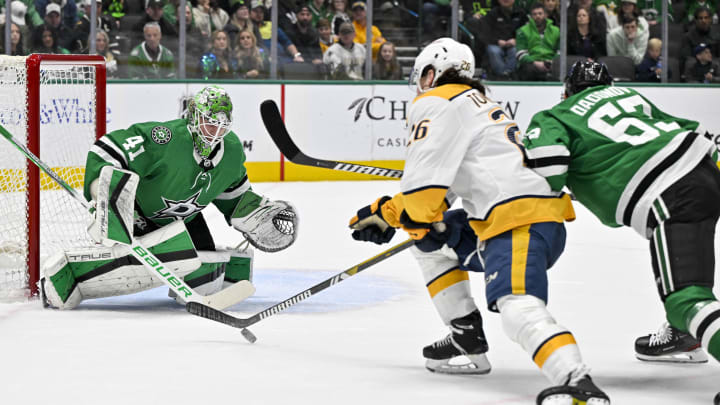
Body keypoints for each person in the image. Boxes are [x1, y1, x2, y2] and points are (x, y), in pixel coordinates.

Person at [349, 37, 609, 405]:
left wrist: (389, 213)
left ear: (430, 73)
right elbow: (443, 193)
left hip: (518, 223)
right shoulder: (478, 103)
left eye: (420, 75)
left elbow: (424, 200)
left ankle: (578, 383)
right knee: (430, 245)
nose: (418, 85)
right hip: (523, 217)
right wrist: (393, 212)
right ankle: (465, 334)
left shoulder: (436, 102)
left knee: (516, 306)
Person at [523, 60, 720, 371]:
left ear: (566, 92)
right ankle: (685, 334)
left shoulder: (555, 115)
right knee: (689, 269)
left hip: (669, 191)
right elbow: (696, 130)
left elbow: (548, 166)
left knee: (686, 299)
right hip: (705, 168)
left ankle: (689, 319)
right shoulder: (629, 96)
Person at [40, 85, 299, 311]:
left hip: (186, 220)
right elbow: (108, 149)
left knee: (207, 273)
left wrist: (255, 214)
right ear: (195, 116)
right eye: (210, 122)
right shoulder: (166, 138)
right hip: (137, 214)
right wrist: (103, 195)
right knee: (166, 257)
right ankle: (69, 280)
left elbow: (234, 196)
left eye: (222, 124)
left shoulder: (231, 151)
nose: (216, 130)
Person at [481, 0, 528, 79]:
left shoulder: (521, 14)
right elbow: (484, 34)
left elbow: (527, 33)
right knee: (493, 51)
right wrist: (497, 41)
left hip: (514, 44)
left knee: (515, 51)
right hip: (495, 44)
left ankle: (509, 74)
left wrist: (516, 40)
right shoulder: (491, 14)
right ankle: (503, 75)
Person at [516, 3, 559, 81]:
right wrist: (535, 63)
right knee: (527, 69)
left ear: (545, 15)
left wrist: (552, 62)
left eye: (540, 13)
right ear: (531, 16)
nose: (538, 16)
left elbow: (560, 51)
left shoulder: (556, 31)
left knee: (559, 70)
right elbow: (520, 53)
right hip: (531, 65)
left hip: (551, 63)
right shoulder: (522, 31)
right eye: (534, 14)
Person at [679, 7, 720, 77]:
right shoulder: (688, 37)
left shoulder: (717, 36)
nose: (703, 21)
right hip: (695, 72)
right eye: (700, 18)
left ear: (710, 20)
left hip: (714, 72)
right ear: (696, 21)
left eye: (706, 18)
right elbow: (686, 58)